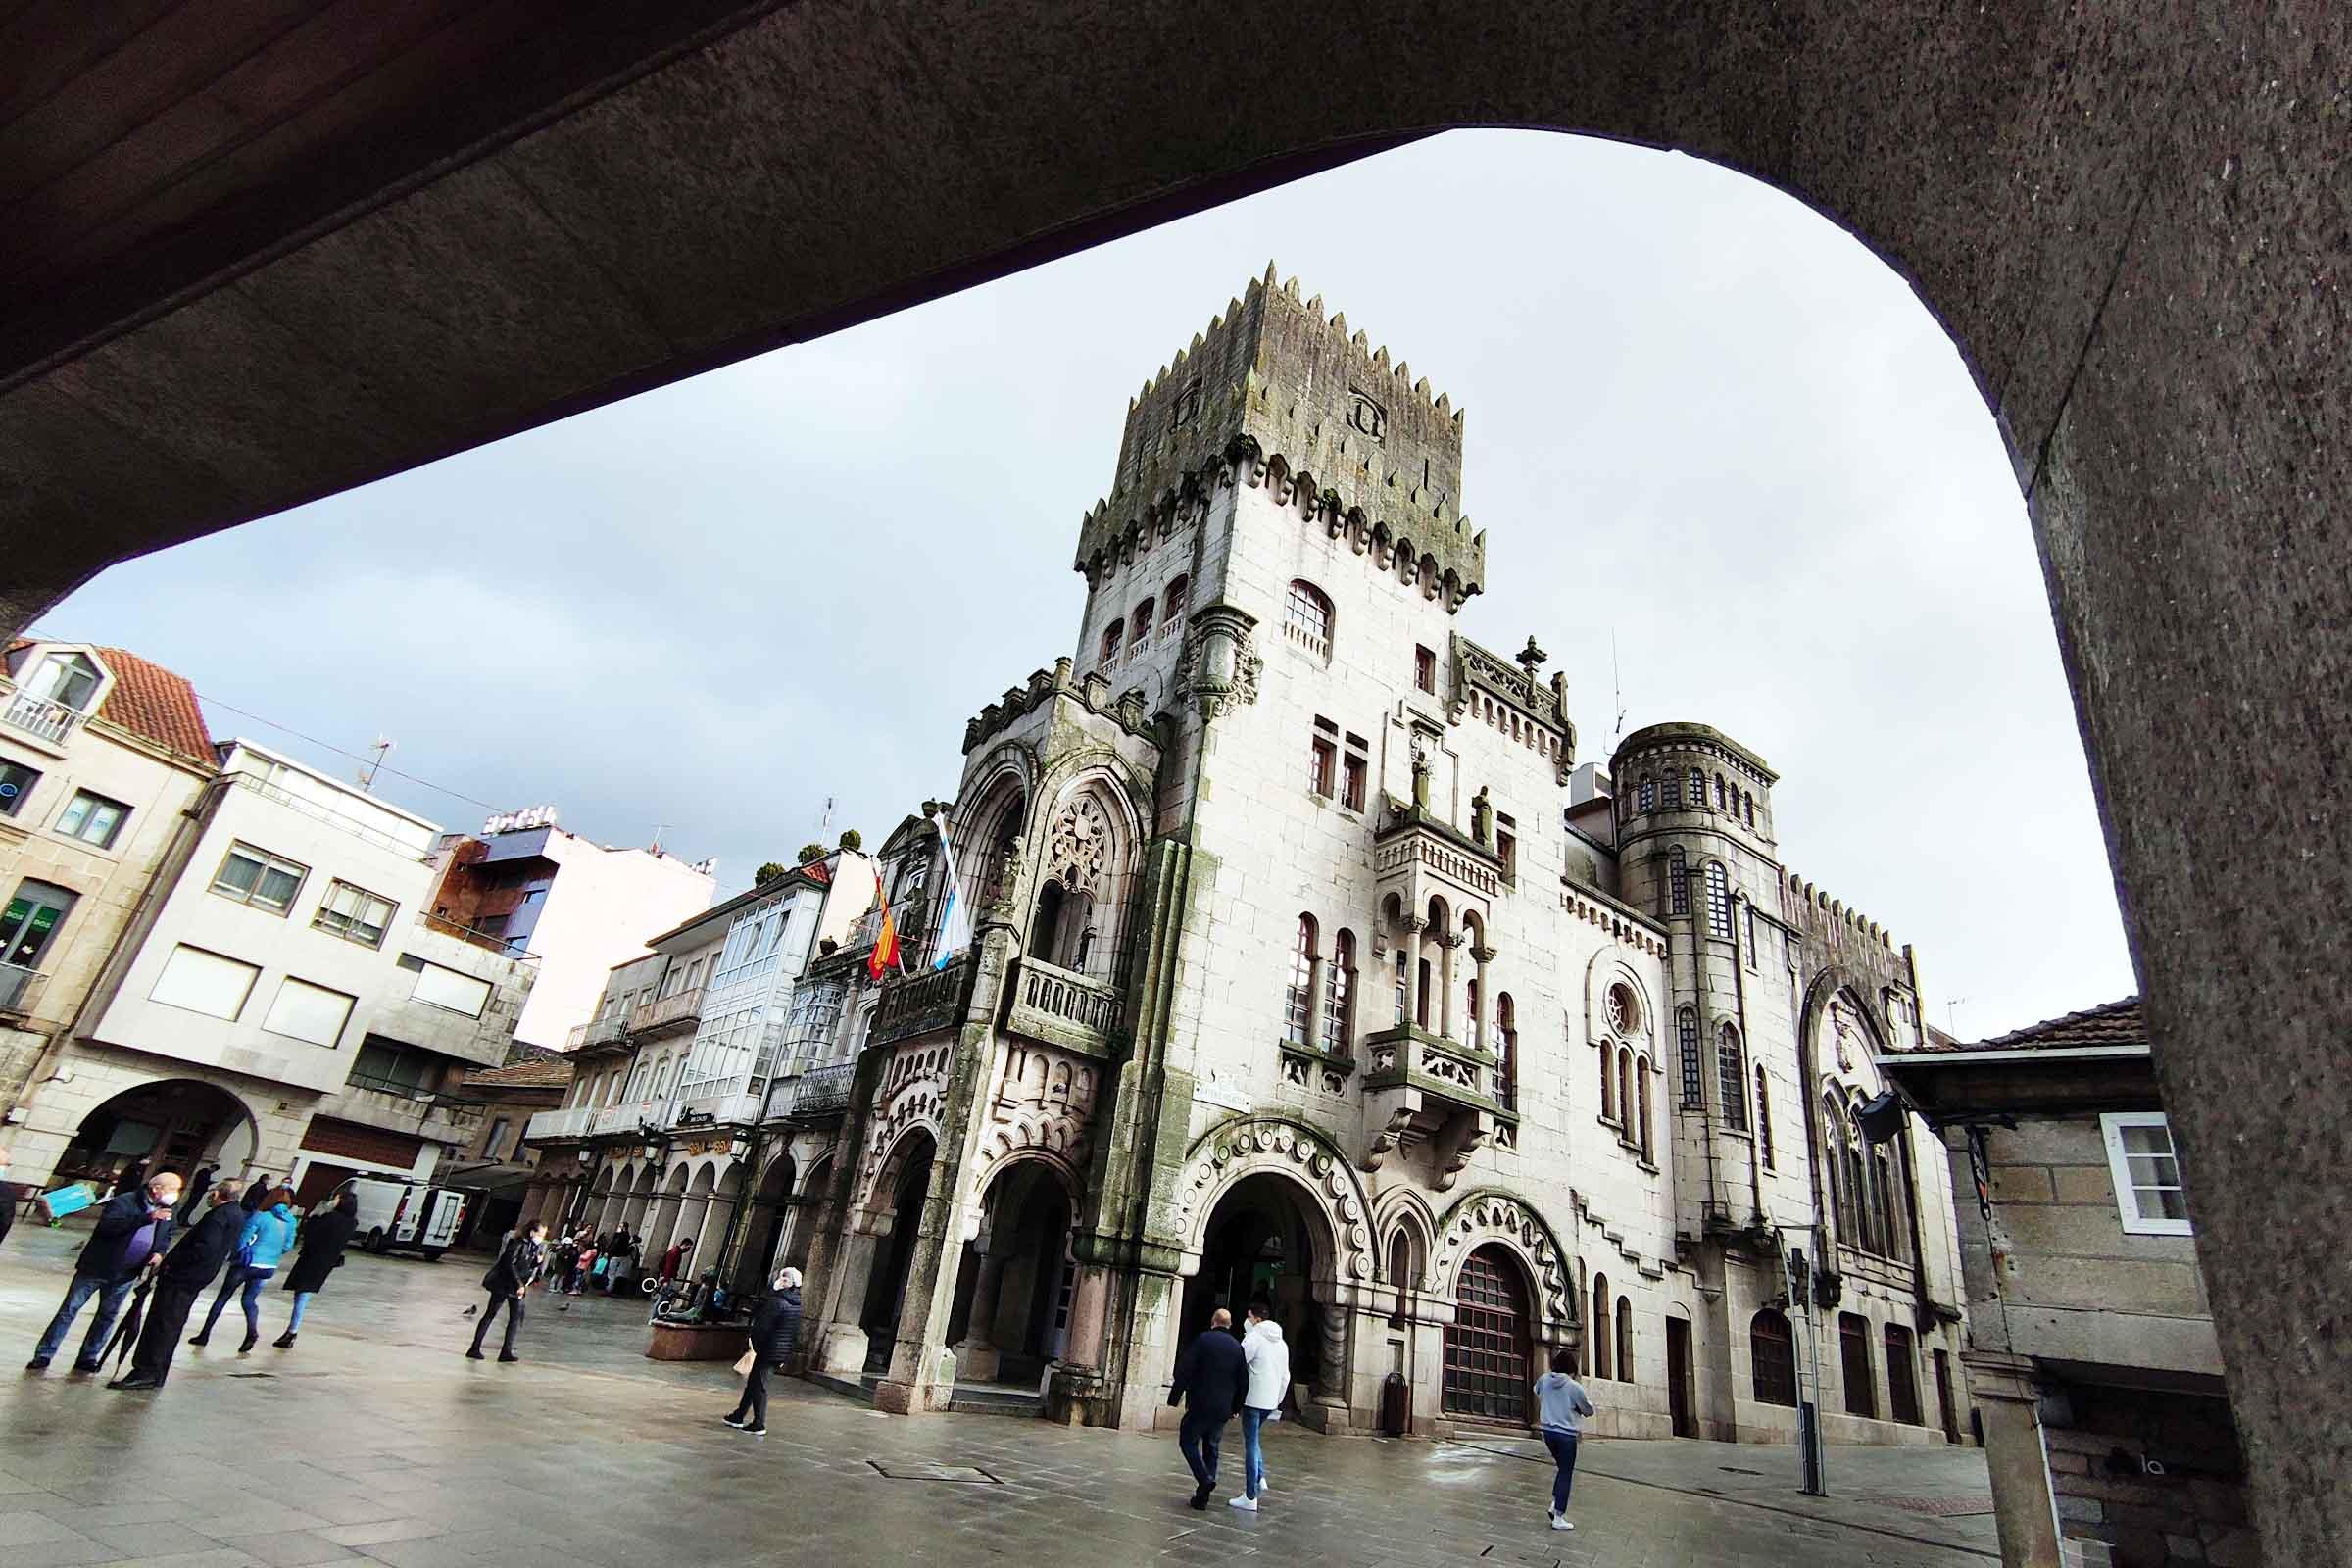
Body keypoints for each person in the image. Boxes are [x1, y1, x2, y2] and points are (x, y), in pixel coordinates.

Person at [27, 1170, 180, 1371]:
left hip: (127, 1272)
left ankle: (89, 1356)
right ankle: (44, 1354)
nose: (175, 1194)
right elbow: (108, 1227)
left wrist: (158, 1251)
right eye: (172, 1189)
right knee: (69, 1310)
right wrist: (146, 1218)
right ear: (156, 1188)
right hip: (98, 1267)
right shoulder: (125, 1201)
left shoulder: (168, 1210)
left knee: (107, 1316)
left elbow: (167, 1233)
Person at [107, 1179, 246, 1391]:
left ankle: (147, 1370)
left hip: (183, 1277)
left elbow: (204, 1248)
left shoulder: (218, 1216)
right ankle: (157, 1372)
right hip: (198, 1277)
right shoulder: (236, 1214)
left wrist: (171, 1264)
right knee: (171, 1324)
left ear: (217, 1194)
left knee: (162, 1323)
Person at [191, 1186, 296, 1353]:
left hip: (247, 1263)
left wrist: (236, 1255)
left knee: (223, 1297)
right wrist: (272, 1254)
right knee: (249, 1300)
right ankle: (251, 1332)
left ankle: (204, 1335)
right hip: (267, 1267)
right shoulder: (291, 1221)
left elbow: (242, 1240)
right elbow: (288, 1246)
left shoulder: (260, 1216)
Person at [1167, 1307, 1250, 1510]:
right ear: (1230, 1325)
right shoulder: (1237, 1347)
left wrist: (1174, 1397)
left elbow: (1185, 1369)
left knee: (1187, 1441)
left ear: (1213, 1322)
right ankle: (1203, 1497)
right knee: (1212, 1448)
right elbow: (1243, 1381)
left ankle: (1204, 1479)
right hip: (1223, 1408)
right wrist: (1236, 1407)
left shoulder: (1203, 1340)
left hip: (1200, 1403)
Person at [273, 1189, 358, 1348]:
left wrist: (316, 1216)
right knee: (302, 1294)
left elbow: (310, 1232)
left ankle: (292, 1332)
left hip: (312, 1260)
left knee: (302, 1294)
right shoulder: (351, 1223)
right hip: (325, 1264)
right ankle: (291, 1331)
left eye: (336, 1198)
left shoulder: (329, 1218)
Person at [723, 1267, 804, 1437]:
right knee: (754, 1383)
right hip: (779, 1350)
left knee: (759, 1386)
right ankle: (738, 1415)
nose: (780, 1281)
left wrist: (755, 1346)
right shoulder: (796, 1304)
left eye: (784, 1279)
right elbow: (794, 1332)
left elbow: (762, 1328)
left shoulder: (777, 1302)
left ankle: (759, 1423)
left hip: (768, 1349)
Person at [1233, 1295, 1292, 1511]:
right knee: (1254, 1437)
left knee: (1250, 1443)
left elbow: (1239, 1362)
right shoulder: (1282, 1344)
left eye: (1249, 1317)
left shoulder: (1254, 1338)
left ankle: (1251, 1495)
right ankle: (1260, 1477)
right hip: (1269, 1401)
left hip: (1252, 1398)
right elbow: (1285, 1376)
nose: (1246, 1320)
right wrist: (1277, 1399)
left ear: (1256, 1319)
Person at [1534, 1348, 1596, 1532]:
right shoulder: (1573, 1387)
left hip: (1548, 1432)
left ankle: (1555, 1504)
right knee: (1566, 1473)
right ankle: (1559, 1516)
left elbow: (1536, 1390)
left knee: (1562, 1470)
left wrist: (1550, 1403)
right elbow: (1588, 1410)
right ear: (1572, 1369)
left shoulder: (1544, 1380)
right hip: (1566, 1435)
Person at [467, 1222, 547, 1363]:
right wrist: (519, 1284)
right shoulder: (517, 1244)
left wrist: (537, 1262)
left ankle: (506, 1351)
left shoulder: (533, 1247)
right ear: (532, 1232)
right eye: (540, 1234)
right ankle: (475, 1348)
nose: (541, 1238)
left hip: (517, 1286)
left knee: (515, 1318)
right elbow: (509, 1264)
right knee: (490, 1314)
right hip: (504, 1285)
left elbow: (525, 1265)